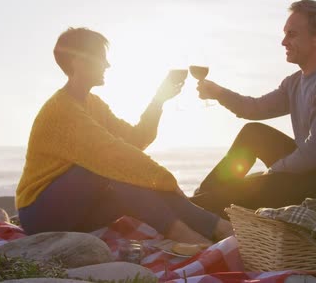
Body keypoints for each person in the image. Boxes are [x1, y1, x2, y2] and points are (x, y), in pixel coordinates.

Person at [16, 27, 232, 244]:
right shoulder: (62, 110)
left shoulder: (94, 105)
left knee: (128, 181)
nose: (107, 65)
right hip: (39, 214)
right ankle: (187, 234)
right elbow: (113, 155)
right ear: (78, 61)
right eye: (101, 57)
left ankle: (215, 228)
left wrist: (158, 100)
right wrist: (165, 179)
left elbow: (136, 140)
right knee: (113, 168)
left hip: (76, 211)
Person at [190, 0, 316, 218]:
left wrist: (271, 173)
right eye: (285, 34)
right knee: (254, 134)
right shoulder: (296, 82)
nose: (283, 42)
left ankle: (192, 210)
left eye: (292, 34)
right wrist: (218, 93)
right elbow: (254, 108)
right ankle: (200, 201)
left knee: (247, 190)